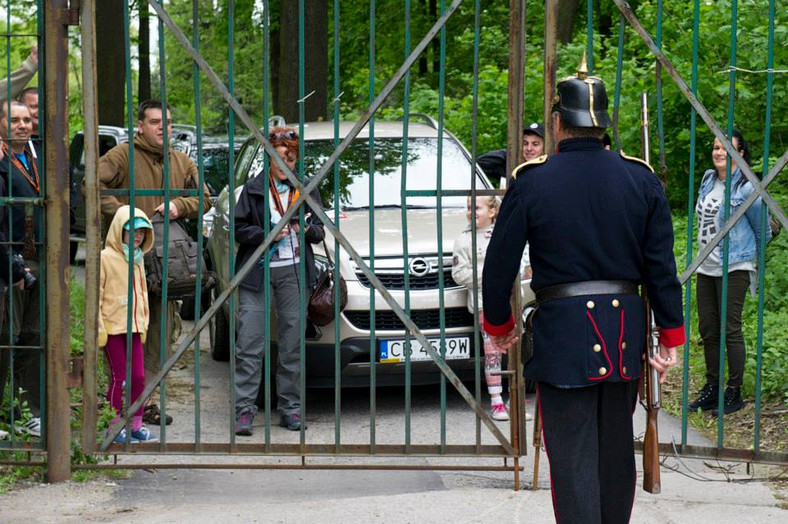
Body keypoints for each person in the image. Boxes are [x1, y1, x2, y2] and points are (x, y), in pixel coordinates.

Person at [481, 55, 684, 523]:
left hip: (562, 336)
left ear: (557, 123)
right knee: (615, 454)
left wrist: (499, 325)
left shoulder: (532, 181)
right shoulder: (641, 178)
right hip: (623, 337)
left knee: (571, 461)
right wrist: (669, 335)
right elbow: (661, 268)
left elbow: (499, 266)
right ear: (604, 123)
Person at [99, 99, 212, 426]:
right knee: (124, 334)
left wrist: (179, 205)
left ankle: (143, 403)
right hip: (127, 264)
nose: (163, 127)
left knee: (160, 336)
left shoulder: (181, 161)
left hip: (166, 267)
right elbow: (92, 186)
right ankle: (120, 404)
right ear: (140, 125)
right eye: (155, 122)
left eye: (168, 122)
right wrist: (125, 216)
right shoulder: (120, 156)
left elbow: (204, 197)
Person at [233, 127, 325, 434]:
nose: (285, 163)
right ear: (269, 158)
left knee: (292, 345)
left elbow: (321, 232)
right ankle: (245, 410)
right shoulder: (253, 188)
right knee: (250, 342)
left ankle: (291, 409)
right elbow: (239, 229)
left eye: (291, 158)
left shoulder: (306, 189)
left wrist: (303, 229)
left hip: (295, 272)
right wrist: (266, 234)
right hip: (258, 272)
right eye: (280, 158)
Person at [689, 131, 770, 416]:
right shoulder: (708, 179)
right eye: (715, 147)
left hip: (735, 265)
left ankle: (733, 391)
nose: (719, 152)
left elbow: (764, 229)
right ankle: (712, 388)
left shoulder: (747, 188)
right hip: (706, 266)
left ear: (741, 154)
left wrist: (755, 261)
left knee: (729, 328)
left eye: (726, 148)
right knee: (708, 329)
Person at [0, 101, 43, 437]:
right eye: (13, 120)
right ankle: (5, 410)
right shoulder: (1, 159)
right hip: (10, 259)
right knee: (7, 337)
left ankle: (28, 408)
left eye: (27, 119)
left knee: (33, 336)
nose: (22, 125)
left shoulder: (42, 152)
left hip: (43, 256)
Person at [99, 205, 158, 443]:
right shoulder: (105, 258)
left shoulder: (137, 259)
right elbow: (98, 294)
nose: (137, 236)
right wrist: (99, 327)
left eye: (142, 232)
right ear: (118, 231)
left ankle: (135, 424)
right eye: (131, 231)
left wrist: (142, 323)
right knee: (119, 376)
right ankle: (113, 426)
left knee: (139, 377)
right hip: (112, 328)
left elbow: (142, 293)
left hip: (134, 327)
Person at [477, 122, 545, 182]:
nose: (529, 148)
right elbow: (479, 163)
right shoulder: (512, 167)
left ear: (545, 146)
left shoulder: (549, 169)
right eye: (525, 143)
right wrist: (511, 153)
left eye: (535, 144)